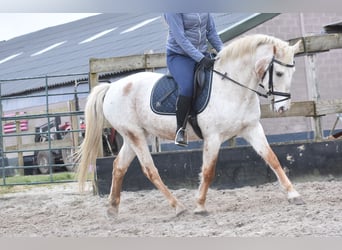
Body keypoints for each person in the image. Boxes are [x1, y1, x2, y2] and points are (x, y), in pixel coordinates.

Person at [164, 13, 224, 146]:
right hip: (179, 56)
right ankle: (180, 129)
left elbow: (211, 32)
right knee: (187, 87)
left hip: (201, 53)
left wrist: (225, 53)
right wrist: (200, 58)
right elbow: (181, 39)